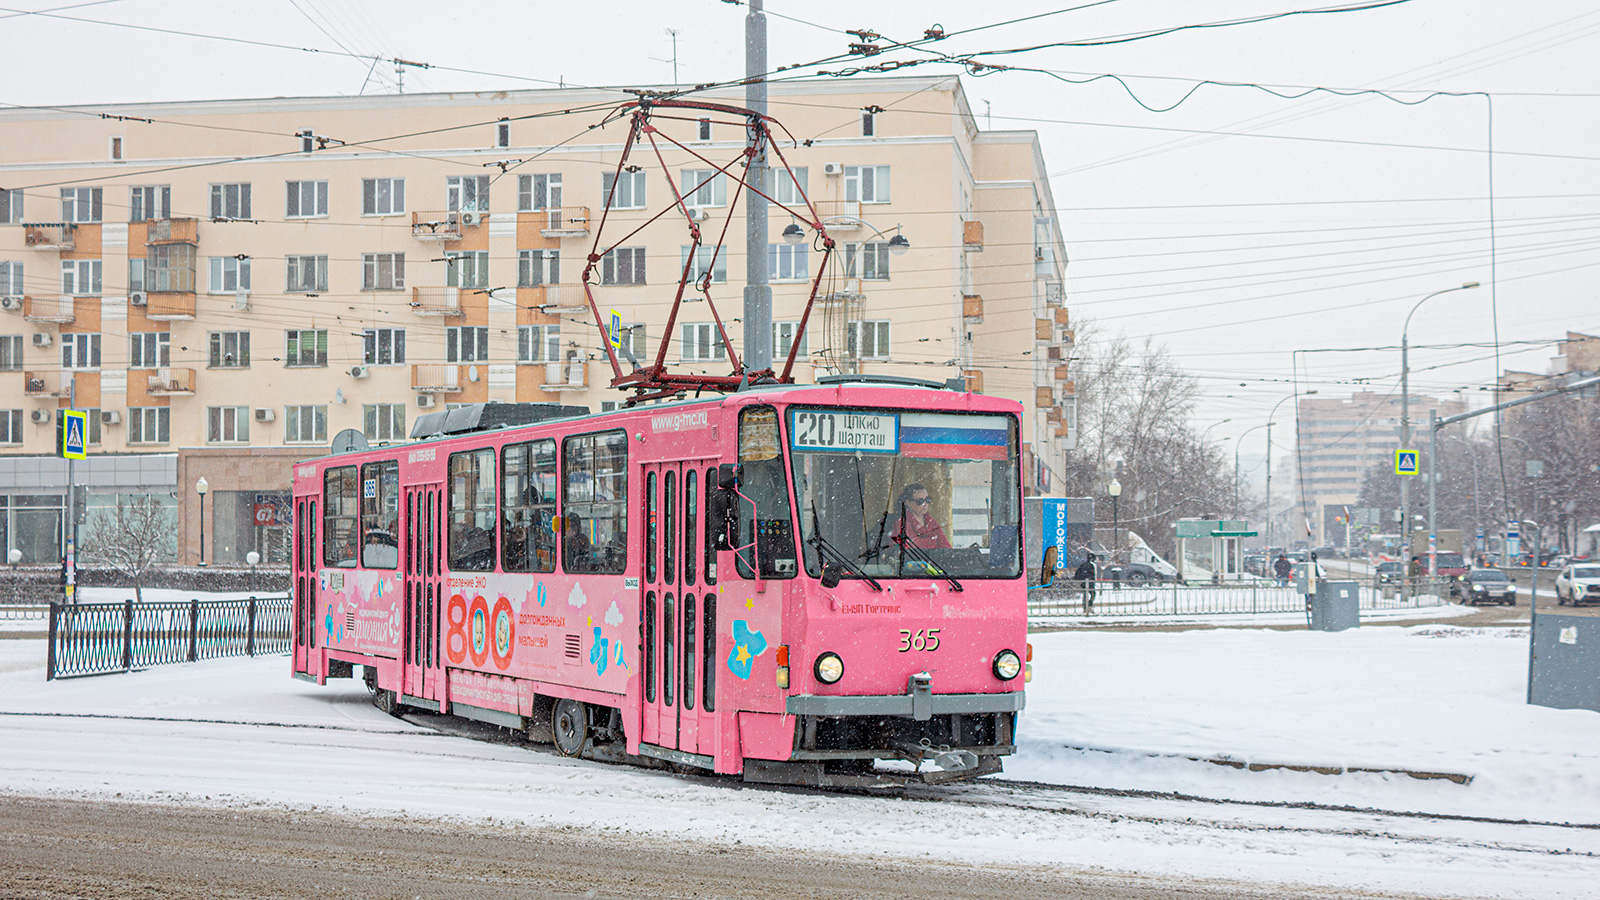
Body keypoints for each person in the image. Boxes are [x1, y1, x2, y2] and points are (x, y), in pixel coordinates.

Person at [890, 483, 951, 550]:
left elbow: (946, 549)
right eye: (920, 501)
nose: (925, 504)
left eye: (928, 499)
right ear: (908, 503)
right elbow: (907, 552)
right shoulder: (902, 524)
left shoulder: (933, 523)